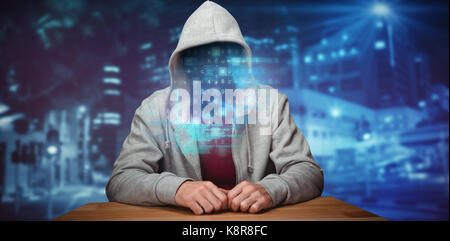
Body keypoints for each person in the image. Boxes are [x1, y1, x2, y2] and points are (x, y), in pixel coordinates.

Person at [106, 1, 324, 215]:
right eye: (200, 58)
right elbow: (121, 181)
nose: (213, 68)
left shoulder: (271, 103)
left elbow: (309, 173)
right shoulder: (155, 108)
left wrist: (271, 189)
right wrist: (177, 189)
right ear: (182, 64)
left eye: (224, 57)